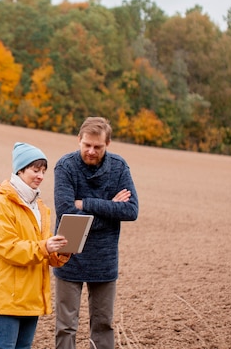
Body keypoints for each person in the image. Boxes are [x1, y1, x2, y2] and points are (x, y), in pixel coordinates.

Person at [53, 117, 139, 349]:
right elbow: (66, 212)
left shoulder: (119, 167)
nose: (91, 151)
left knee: (103, 325)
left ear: (108, 144)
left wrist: (86, 203)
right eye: (86, 145)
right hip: (68, 255)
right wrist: (110, 208)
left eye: (97, 147)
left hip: (104, 259)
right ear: (78, 140)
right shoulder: (65, 166)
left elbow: (131, 211)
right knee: (66, 326)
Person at [0, 142, 71, 349]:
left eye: (43, 171)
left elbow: (42, 248)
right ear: (19, 170)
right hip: (6, 297)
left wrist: (60, 251)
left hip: (30, 298)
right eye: (35, 170)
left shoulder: (38, 206)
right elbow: (8, 247)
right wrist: (45, 246)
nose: (40, 176)